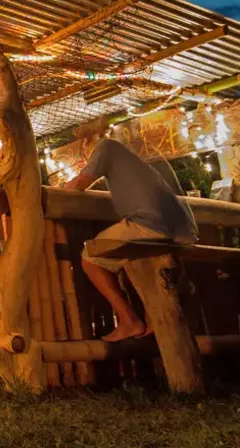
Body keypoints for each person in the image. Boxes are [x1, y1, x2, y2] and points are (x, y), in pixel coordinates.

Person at [63, 126, 198, 342]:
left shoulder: (106, 147)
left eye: (84, 148)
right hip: (184, 230)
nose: (85, 155)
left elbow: (80, 183)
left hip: (151, 224)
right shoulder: (133, 157)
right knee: (126, 255)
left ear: (90, 143)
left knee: (89, 257)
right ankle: (154, 318)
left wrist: (62, 188)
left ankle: (129, 321)